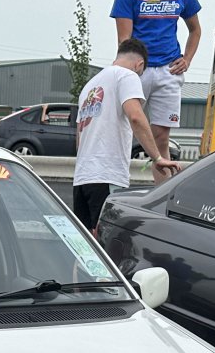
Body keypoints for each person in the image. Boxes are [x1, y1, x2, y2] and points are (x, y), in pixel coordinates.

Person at [72, 38, 180, 234]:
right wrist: (157, 158)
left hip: (82, 178)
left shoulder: (90, 86)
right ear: (139, 64)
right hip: (107, 175)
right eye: (141, 73)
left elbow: (79, 136)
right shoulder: (127, 76)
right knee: (107, 240)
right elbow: (136, 117)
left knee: (85, 244)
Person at [111, 0, 201, 161]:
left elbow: (195, 30)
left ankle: (163, 176)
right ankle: (115, 176)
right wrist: (128, 69)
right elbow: (124, 39)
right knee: (123, 129)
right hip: (138, 68)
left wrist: (187, 59)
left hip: (169, 69)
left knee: (161, 139)